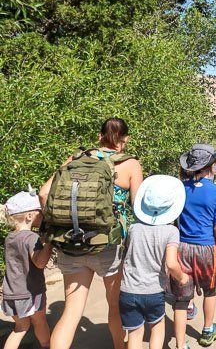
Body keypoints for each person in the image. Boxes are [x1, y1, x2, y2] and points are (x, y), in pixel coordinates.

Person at [39, 117, 143, 349]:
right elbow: (139, 209)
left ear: (99, 136)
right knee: (115, 306)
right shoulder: (131, 164)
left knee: (71, 312)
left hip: (70, 242)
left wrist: (59, 224)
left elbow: (44, 193)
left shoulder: (76, 159)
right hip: (108, 244)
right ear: (125, 139)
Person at [119, 175, 189, 349]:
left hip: (128, 290)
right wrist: (182, 278)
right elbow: (172, 264)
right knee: (157, 329)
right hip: (153, 291)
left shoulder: (133, 228)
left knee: (134, 334)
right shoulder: (171, 232)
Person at [173, 144, 216, 349]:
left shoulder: (180, 188)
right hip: (206, 248)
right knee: (210, 291)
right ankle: (206, 331)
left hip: (182, 247)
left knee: (181, 299)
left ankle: (180, 344)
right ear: (211, 166)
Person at [1, 188, 53, 349]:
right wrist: (50, 243)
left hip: (11, 292)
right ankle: (47, 346)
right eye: (39, 212)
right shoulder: (31, 238)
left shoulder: (10, 237)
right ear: (29, 216)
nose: (42, 215)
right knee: (40, 321)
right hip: (30, 292)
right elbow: (39, 262)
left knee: (20, 327)